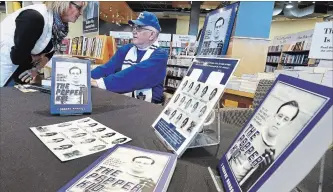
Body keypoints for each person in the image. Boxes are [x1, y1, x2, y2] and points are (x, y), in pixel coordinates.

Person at [0, 2, 86, 87]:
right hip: (6, 71)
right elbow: (17, 58)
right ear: (65, 3)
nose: (81, 13)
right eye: (79, 8)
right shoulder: (34, 18)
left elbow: (50, 53)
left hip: (21, 75)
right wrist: (36, 58)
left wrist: (36, 68)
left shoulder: (60, 28)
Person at [91, 11, 168, 104]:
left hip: (149, 108)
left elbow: (136, 75)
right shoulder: (126, 49)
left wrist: (100, 83)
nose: (134, 31)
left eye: (139, 28)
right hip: (124, 103)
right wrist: (84, 77)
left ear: (152, 35)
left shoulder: (160, 55)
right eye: (134, 27)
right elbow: (107, 68)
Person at [228, 101, 300, 191]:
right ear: (275, 115)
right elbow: (233, 153)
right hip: (225, 173)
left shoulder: (274, 154)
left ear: (289, 123)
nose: (279, 122)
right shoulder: (256, 129)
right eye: (280, 116)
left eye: (285, 119)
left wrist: (262, 172)